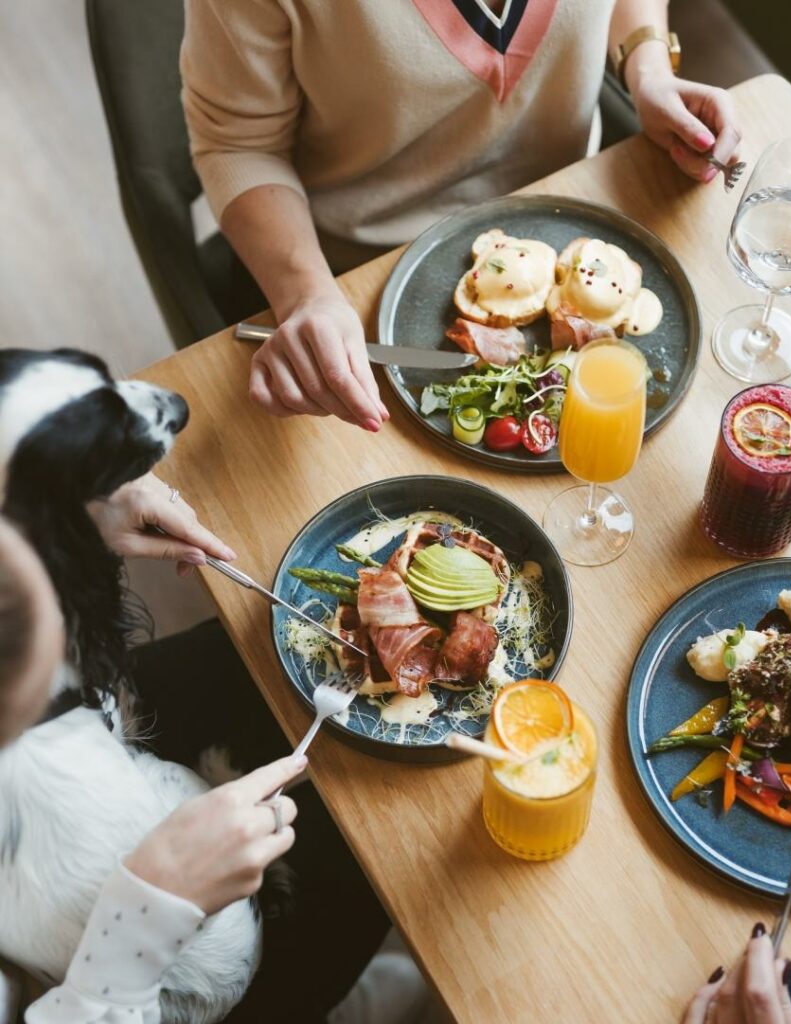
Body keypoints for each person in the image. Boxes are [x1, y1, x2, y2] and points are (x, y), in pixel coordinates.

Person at [180, 0, 741, 430]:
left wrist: (647, 66)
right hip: (353, 282)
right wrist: (308, 297)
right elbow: (236, 145)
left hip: (568, 208)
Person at [0, 488, 427, 1024]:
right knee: (380, 851)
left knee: (253, 655)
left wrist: (64, 520)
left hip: (79, 724)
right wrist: (146, 915)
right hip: (130, 986)